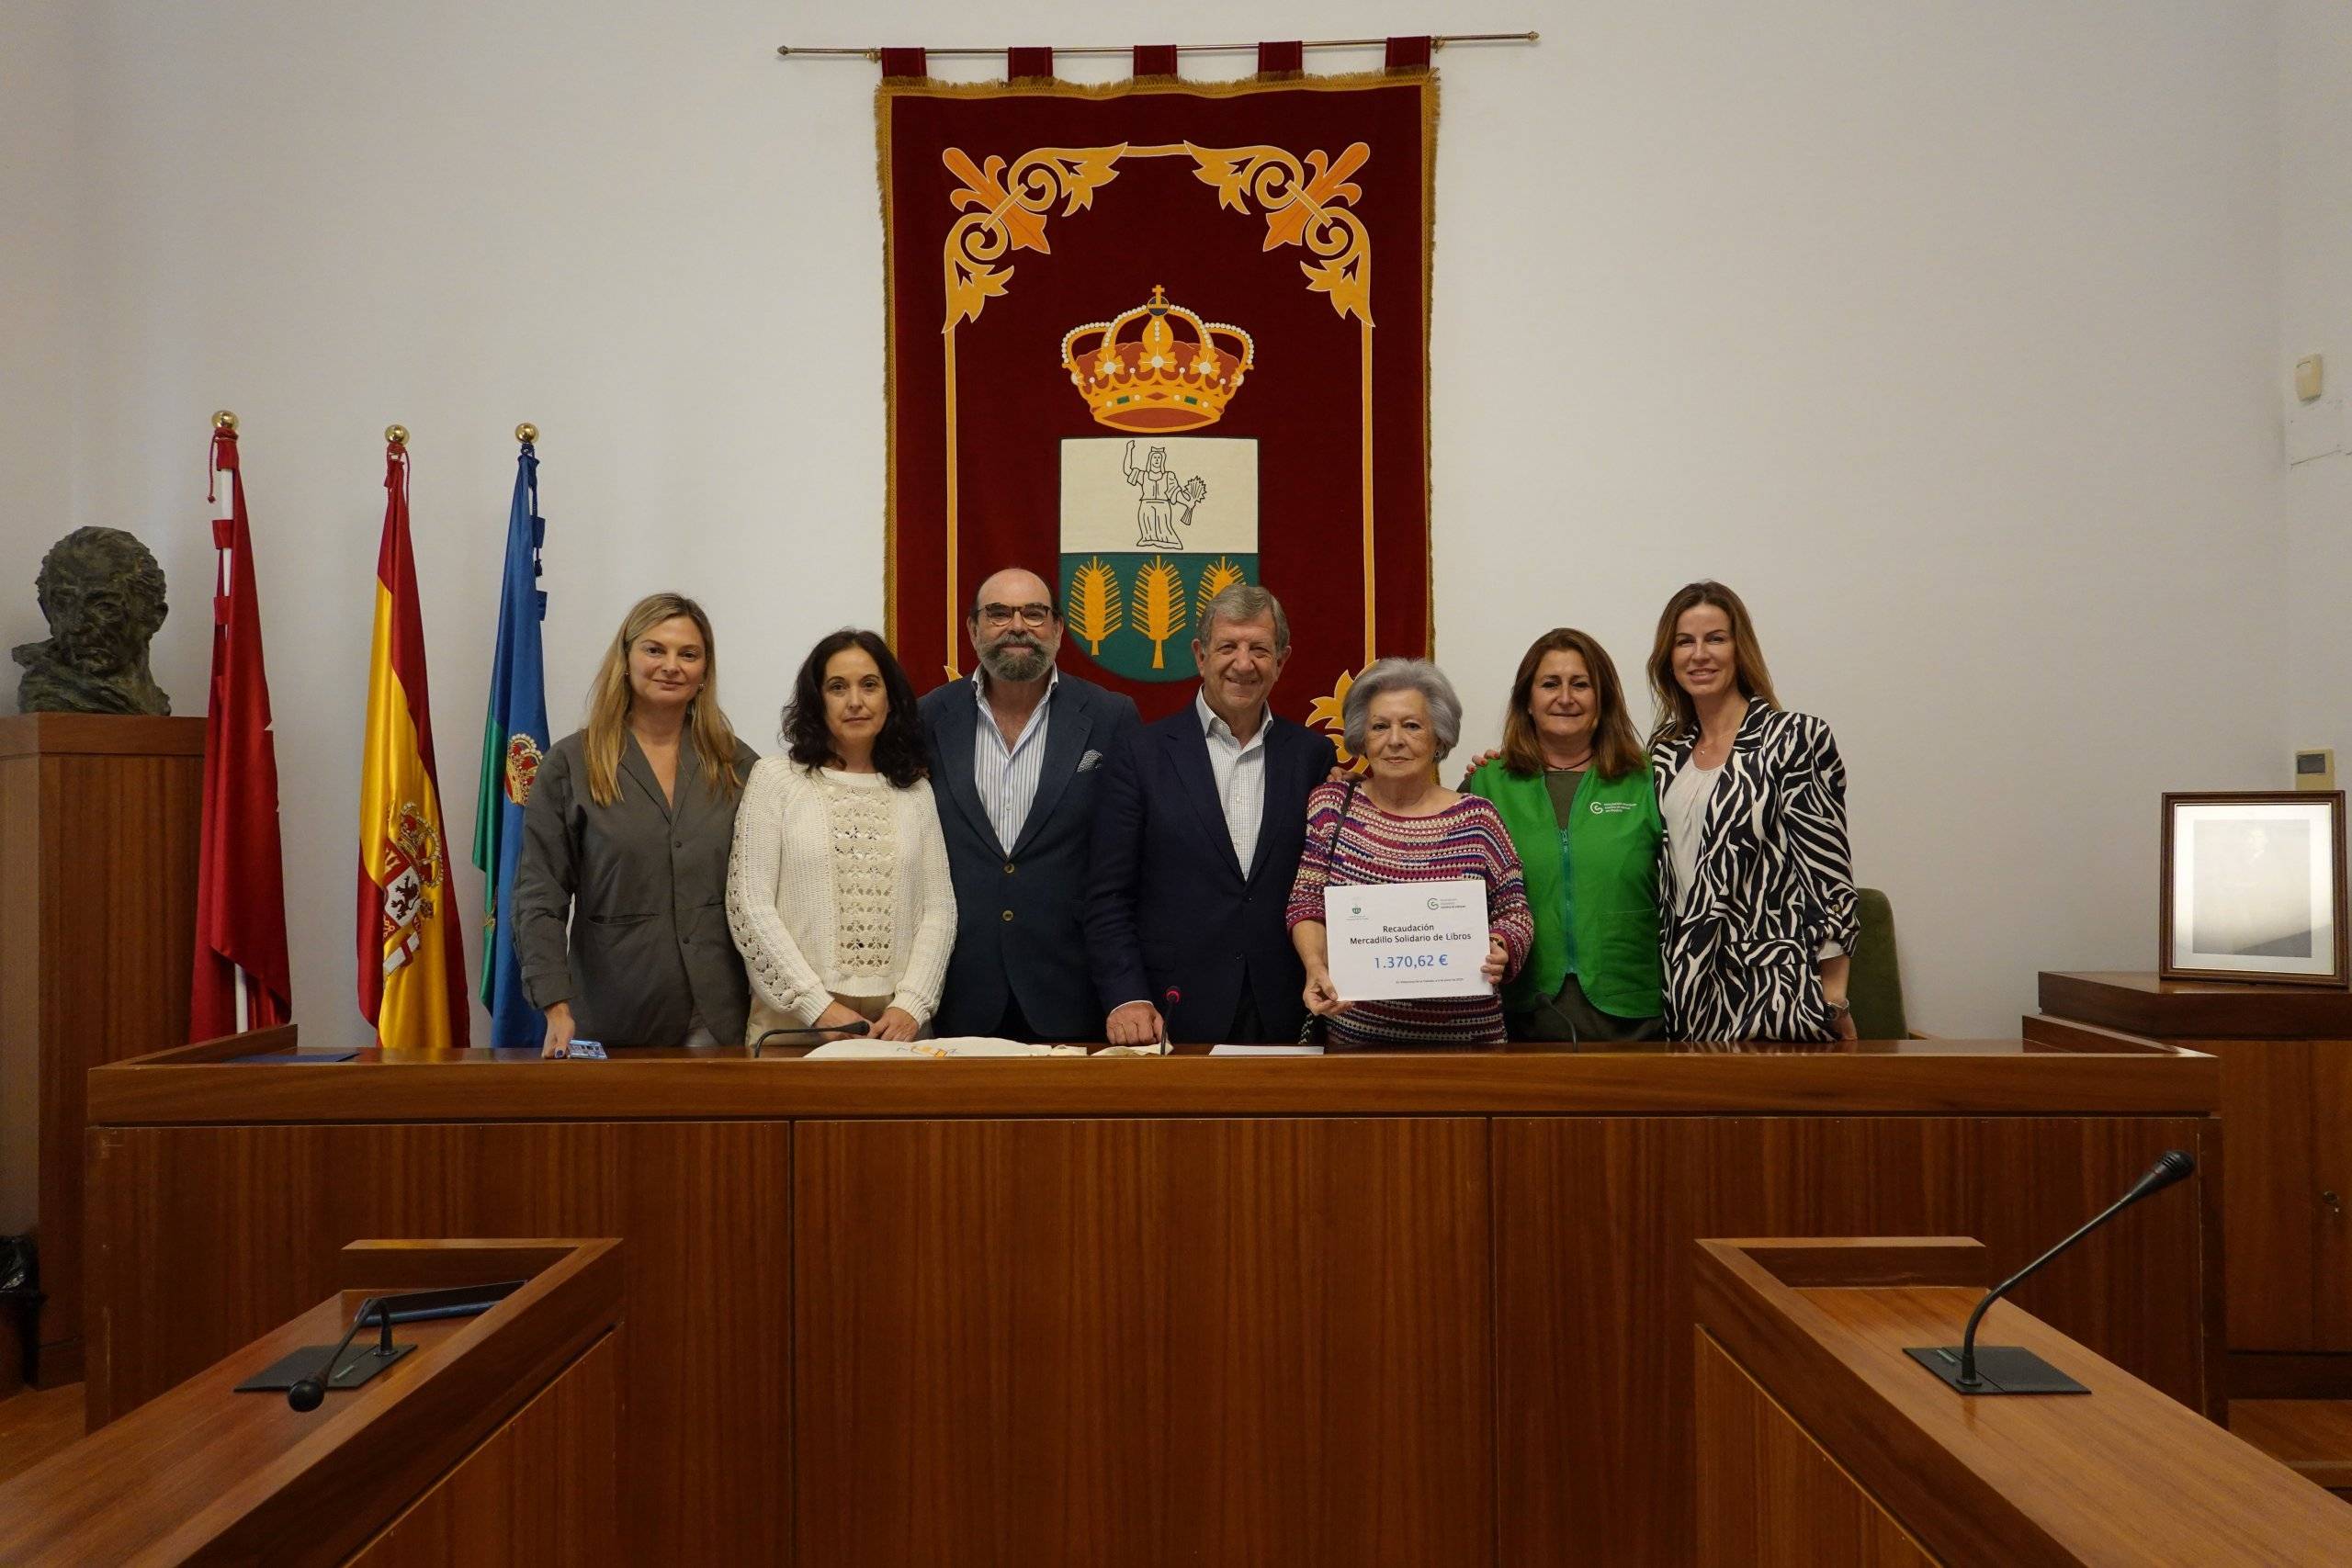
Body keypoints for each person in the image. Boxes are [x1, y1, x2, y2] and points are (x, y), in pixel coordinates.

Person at [1087, 584, 1338, 1044]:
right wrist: (1126, 996)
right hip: (1171, 1010)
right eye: (1228, 647)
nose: (1244, 664)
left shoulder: (1313, 757)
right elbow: (1107, 895)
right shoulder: (1140, 754)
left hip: (1289, 1005)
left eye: (1260, 649)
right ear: (1201, 655)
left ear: (1282, 661)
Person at [514, 592, 757, 1055]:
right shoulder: (571, 764)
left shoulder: (735, 763)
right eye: (654, 649)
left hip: (721, 1016)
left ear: (705, 672)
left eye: (689, 654)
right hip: (612, 1015)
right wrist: (554, 1004)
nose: (671, 665)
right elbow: (538, 896)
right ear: (625, 658)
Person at [919, 567, 1142, 1040]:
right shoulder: (929, 717)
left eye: (1034, 614)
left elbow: (1132, 855)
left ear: (1059, 630)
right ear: (972, 629)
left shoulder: (1111, 717)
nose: (1017, 626)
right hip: (959, 991)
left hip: (1073, 989)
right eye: (998, 613)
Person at [1647, 581, 1858, 1042]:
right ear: (1669, 657)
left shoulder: (1795, 739)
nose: (1699, 654)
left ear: (1740, 649)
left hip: (1776, 992)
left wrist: (1834, 997)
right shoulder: (1662, 754)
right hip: (1683, 996)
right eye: (1685, 641)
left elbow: (1829, 877)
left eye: (1715, 638)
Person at [1287, 658, 1532, 1047]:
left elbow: (1514, 910)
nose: (1395, 740)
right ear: (1361, 738)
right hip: (1357, 1043)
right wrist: (1316, 967)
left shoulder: (1478, 816)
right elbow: (1307, 903)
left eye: (1412, 725)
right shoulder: (1332, 807)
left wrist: (1501, 946)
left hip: (1470, 1046)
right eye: (1380, 726)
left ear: (1439, 738)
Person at [727, 629, 956, 1044]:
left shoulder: (915, 792)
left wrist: (912, 1005)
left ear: (890, 697)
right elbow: (750, 906)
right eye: (837, 687)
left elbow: (939, 912)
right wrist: (817, 1007)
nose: (855, 701)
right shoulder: (776, 780)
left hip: (897, 1024)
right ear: (818, 701)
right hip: (793, 1021)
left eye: (870, 685)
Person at [1464, 629, 1666, 1043]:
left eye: (1581, 684)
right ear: (1527, 700)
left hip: (1634, 1015)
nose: (1566, 697)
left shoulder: (1650, 779)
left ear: (1603, 698)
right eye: (1550, 684)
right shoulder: (1485, 784)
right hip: (1519, 1013)